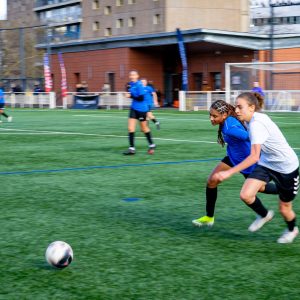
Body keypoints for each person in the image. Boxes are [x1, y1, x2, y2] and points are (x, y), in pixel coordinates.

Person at [215, 92, 299, 243]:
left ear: (252, 107)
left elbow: (254, 156)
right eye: (236, 106)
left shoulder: (256, 124)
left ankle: (292, 230)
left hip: (286, 167)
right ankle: (264, 214)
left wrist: (229, 172)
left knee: (284, 209)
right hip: (267, 163)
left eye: (240, 107)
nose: (237, 110)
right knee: (246, 195)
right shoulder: (250, 121)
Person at [192, 100, 277, 227]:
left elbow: (249, 136)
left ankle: (283, 192)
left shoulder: (230, 128)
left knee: (259, 188)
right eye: (210, 115)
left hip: (247, 161)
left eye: (214, 116)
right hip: (232, 158)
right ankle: (209, 217)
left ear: (224, 115)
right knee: (211, 181)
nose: (211, 118)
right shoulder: (228, 121)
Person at [123, 70, 156, 155]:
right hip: (133, 108)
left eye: (134, 75)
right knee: (130, 128)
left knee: (144, 129)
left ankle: (152, 144)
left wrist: (130, 96)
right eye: (131, 75)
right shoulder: (130, 84)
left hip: (142, 109)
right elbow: (129, 91)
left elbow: (140, 98)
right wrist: (127, 91)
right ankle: (132, 149)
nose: (132, 76)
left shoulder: (139, 85)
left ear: (137, 76)